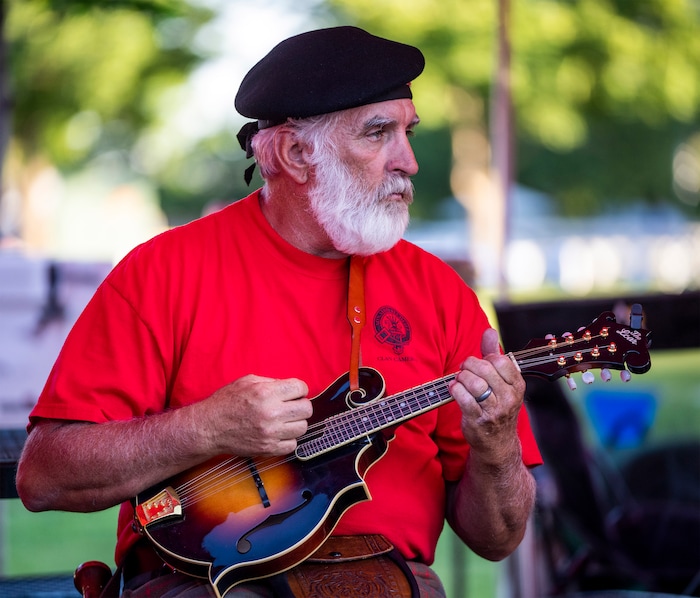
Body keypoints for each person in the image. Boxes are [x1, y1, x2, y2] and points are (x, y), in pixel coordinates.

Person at [16, 26, 541, 597]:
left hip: (390, 582)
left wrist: (496, 448)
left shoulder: (439, 291)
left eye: (408, 132)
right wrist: (205, 427)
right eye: (378, 134)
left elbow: (499, 539)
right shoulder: (164, 271)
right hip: (204, 582)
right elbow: (45, 477)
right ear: (294, 153)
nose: (409, 162)